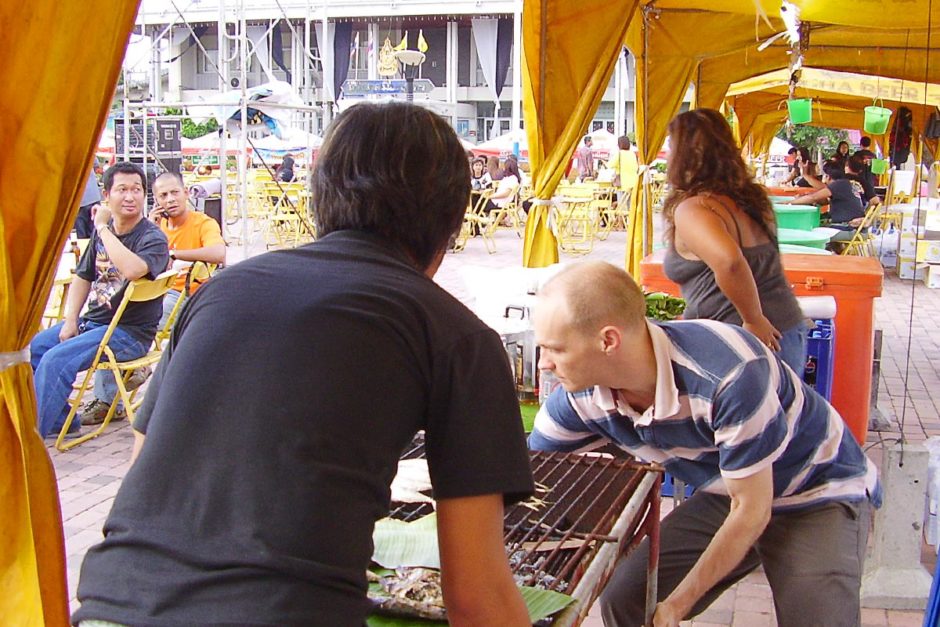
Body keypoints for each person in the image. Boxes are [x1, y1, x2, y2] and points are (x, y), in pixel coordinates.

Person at [73, 102, 534, 627]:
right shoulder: (457, 336)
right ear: (450, 221)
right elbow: (478, 599)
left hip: (110, 608)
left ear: (320, 201)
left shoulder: (220, 292)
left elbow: (144, 468)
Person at [528, 261, 881, 627]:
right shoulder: (578, 397)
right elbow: (530, 475)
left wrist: (677, 606)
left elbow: (752, 511)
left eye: (555, 349)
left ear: (608, 341)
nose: (544, 365)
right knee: (629, 598)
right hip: (733, 490)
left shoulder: (729, 374)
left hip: (816, 490)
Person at [661, 109, 807, 375]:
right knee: (782, 413)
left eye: (671, 146)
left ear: (685, 155)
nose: (668, 156)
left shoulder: (695, 208)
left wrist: (753, 319)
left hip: (740, 343)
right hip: (787, 328)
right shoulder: (751, 198)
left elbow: (730, 262)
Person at [29, 162, 169, 438]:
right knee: (34, 349)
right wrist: (70, 321)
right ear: (107, 195)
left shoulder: (152, 237)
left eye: (137, 190)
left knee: (56, 360)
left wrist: (103, 227)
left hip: (129, 334)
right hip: (93, 324)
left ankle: (32, 441)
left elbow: (132, 270)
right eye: (122, 190)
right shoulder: (101, 234)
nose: (130, 196)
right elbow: (83, 276)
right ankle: (62, 423)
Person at [81, 171, 227, 425]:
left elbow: (218, 253)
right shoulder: (153, 226)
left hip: (187, 293)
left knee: (125, 321)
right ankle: (113, 390)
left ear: (186, 192)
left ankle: (114, 389)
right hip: (145, 293)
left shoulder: (202, 223)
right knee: (113, 311)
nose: (169, 199)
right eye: (163, 195)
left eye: (174, 193)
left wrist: (173, 253)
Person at [786, 155, 880, 246]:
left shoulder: (838, 185)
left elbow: (813, 197)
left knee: (811, 232)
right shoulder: (845, 183)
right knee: (821, 225)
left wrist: (787, 203)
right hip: (857, 229)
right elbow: (821, 199)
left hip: (849, 229)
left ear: (828, 176)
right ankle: (835, 252)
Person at [606, 136, 639, 204]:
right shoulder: (633, 154)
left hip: (622, 183)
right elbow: (636, 167)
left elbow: (610, 165)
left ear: (619, 144)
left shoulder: (619, 154)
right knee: (631, 205)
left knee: (622, 205)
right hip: (633, 183)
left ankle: (623, 215)